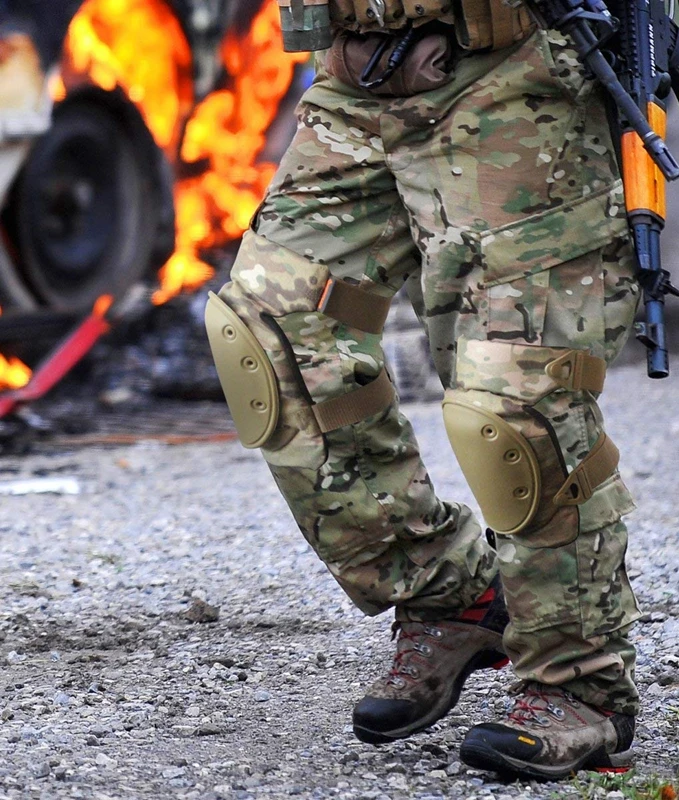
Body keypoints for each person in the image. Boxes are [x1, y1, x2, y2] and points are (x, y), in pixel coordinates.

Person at [205, 0, 642, 780]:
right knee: (271, 337)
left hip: (510, 74)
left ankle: (579, 681)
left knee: (512, 395)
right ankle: (448, 593)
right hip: (358, 75)